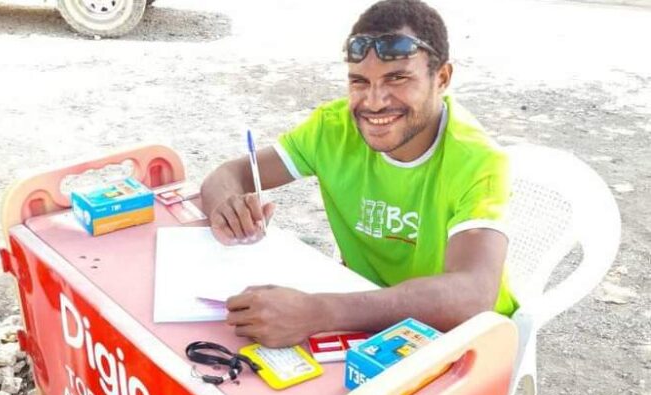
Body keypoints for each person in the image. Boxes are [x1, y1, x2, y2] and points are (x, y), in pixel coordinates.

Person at [200, 0, 516, 348]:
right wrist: (226, 207)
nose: (375, 101)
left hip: (454, 341)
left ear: (441, 78)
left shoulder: (479, 160)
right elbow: (230, 173)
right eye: (359, 81)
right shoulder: (333, 129)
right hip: (362, 322)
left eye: (397, 78)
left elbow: (472, 294)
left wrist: (319, 311)